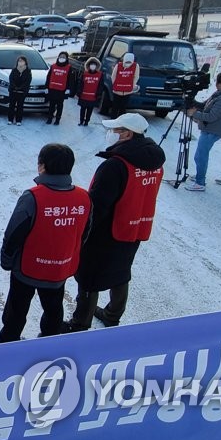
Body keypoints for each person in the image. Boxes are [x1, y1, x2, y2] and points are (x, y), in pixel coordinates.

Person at [67, 113, 165, 331]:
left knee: (89, 276)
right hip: (136, 226)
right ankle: (113, 313)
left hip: (108, 230)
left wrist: (84, 231)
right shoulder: (155, 162)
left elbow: (98, 204)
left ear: (127, 134)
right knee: (121, 270)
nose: (110, 134)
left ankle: (80, 322)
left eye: (115, 130)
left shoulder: (116, 165)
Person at [0, 144, 90, 344]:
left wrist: (7, 260)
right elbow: (85, 231)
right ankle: (48, 343)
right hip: (59, 268)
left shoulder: (33, 197)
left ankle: (8, 341)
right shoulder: (83, 197)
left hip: (27, 268)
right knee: (53, 308)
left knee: (16, 308)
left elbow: (14, 233)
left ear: (42, 166)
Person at [185, 71, 221, 191]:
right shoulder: (220, 93)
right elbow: (205, 105)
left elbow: (212, 116)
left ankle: (200, 182)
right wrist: (191, 100)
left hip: (213, 130)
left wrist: (195, 113)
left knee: (200, 156)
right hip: (208, 128)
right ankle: (200, 176)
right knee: (200, 155)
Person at [109, 52, 140, 118]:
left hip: (127, 92)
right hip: (117, 91)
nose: (128, 64)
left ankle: (121, 123)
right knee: (115, 107)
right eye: (126, 62)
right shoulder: (118, 65)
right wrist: (115, 84)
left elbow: (136, 77)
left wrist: (131, 85)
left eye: (129, 62)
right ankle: (113, 121)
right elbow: (113, 76)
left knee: (123, 109)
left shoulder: (136, 66)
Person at [75, 57, 103, 126]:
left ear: (96, 66)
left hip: (93, 96)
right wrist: (79, 92)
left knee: (90, 110)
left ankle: (87, 121)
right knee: (82, 109)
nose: (92, 66)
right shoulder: (84, 74)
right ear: (88, 65)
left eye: (94, 64)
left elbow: (101, 85)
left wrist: (99, 94)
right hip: (84, 95)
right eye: (91, 64)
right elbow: (80, 83)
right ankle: (81, 121)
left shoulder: (100, 75)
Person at [45, 51, 71, 125]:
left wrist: (68, 88)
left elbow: (70, 79)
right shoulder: (53, 66)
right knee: (51, 105)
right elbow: (48, 77)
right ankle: (49, 118)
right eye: (61, 56)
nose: (62, 58)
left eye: (64, 57)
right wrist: (46, 87)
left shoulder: (68, 67)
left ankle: (57, 119)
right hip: (52, 89)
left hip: (62, 90)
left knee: (60, 105)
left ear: (66, 58)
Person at [7, 55, 32, 126]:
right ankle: (10, 119)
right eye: (19, 61)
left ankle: (18, 120)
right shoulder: (14, 70)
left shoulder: (28, 71)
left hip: (22, 92)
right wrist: (14, 86)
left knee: (20, 106)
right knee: (11, 105)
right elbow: (11, 79)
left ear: (25, 62)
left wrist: (21, 87)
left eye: (22, 61)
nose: (20, 62)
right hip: (13, 91)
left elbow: (27, 81)